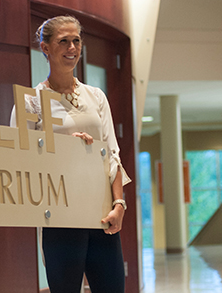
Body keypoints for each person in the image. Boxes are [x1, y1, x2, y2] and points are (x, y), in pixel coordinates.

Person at [10, 15, 131, 293]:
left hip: (102, 216)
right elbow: (21, 159)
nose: (72, 48)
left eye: (76, 40)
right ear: (46, 48)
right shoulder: (32, 100)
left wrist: (119, 205)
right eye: (63, 41)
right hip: (60, 217)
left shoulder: (96, 96)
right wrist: (66, 150)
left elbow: (112, 154)